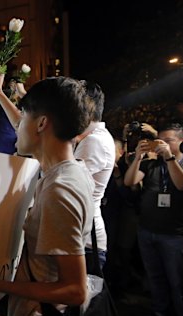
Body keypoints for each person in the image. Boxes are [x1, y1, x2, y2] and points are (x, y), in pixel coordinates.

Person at [0, 73, 95, 316]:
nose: (16, 127)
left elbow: (75, 290)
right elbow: (26, 124)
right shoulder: (69, 169)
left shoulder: (60, 188)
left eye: (24, 119)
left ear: (42, 124)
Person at [123, 123, 183, 316]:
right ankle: (160, 314)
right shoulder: (152, 164)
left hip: (174, 234)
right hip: (147, 230)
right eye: (160, 140)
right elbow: (130, 181)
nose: (162, 144)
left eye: (168, 140)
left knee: (177, 281)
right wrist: (138, 157)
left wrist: (170, 158)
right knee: (155, 277)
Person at [73, 81, 114, 270]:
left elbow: (70, 184)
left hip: (86, 241)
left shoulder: (94, 141)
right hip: (84, 237)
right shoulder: (92, 138)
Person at [0, 77, 27, 155]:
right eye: (10, 87)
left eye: (15, 88)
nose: (12, 90)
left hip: (18, 150)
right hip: (1, 149)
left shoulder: (23, 108)